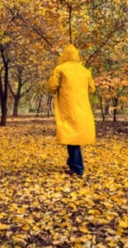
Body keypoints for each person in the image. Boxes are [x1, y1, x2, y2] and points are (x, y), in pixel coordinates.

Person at [46, 45, 96, 176]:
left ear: (64, 55)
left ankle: (78, 168)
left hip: (67, 108)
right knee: (72, 137)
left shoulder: (60, 69)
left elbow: (52, 87)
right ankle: (72, 163)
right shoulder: (85, 71)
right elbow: (92, 89)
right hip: (82, 108)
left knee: (72, 137)